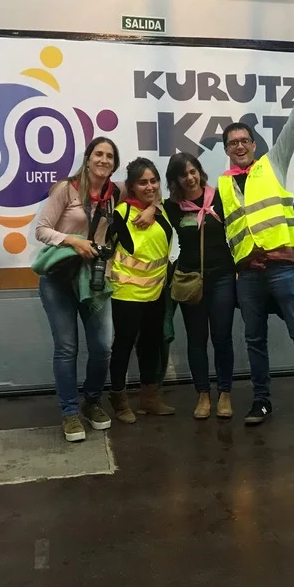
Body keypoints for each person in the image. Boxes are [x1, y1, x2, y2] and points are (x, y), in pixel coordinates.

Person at [217, 43, 294, 430]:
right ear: (227, 150)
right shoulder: (222, 185)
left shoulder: (273, 163)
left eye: (244, 140)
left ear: (254, 145)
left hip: (282, 266)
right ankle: (261, 402)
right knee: (254, 340)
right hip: (248, 274)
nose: (239, 146)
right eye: (232, 143)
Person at [33, 136, 119, 442]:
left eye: (110, 156)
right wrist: (72, 241)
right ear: (88, 159)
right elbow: (41, 229)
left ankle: (92, 401)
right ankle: (69, 412)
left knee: (103, 346)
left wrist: (149, 211)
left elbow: (149, 195)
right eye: (99, 154)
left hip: (93, 278)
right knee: (67, 347)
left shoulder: (113, 194)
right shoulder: (66, 189)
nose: (104, 160)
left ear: (114, 164)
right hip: (59, 278)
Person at [163, 152, 236, 420]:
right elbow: (148, 207)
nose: (190, 177)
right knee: (196, 340)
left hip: (222, 276)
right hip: (189, 279)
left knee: (222, 337)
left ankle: (225, 393)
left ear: (200, 171)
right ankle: (203, 394)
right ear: (175, 180)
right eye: (183, 174)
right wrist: (148, 210)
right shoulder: (171, 206)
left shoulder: (219, 197)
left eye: (193, 171)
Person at [106, 157, 176, 421]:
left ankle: (149, 399)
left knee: (151, 346)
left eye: (153, 181)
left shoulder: (162, 211)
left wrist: (154, 207)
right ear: (132, 186)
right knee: (123, 346)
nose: (150, 186)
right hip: (126, 294)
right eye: (142, 182)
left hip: (156, 293)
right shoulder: (121, 213)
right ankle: (119, 401)